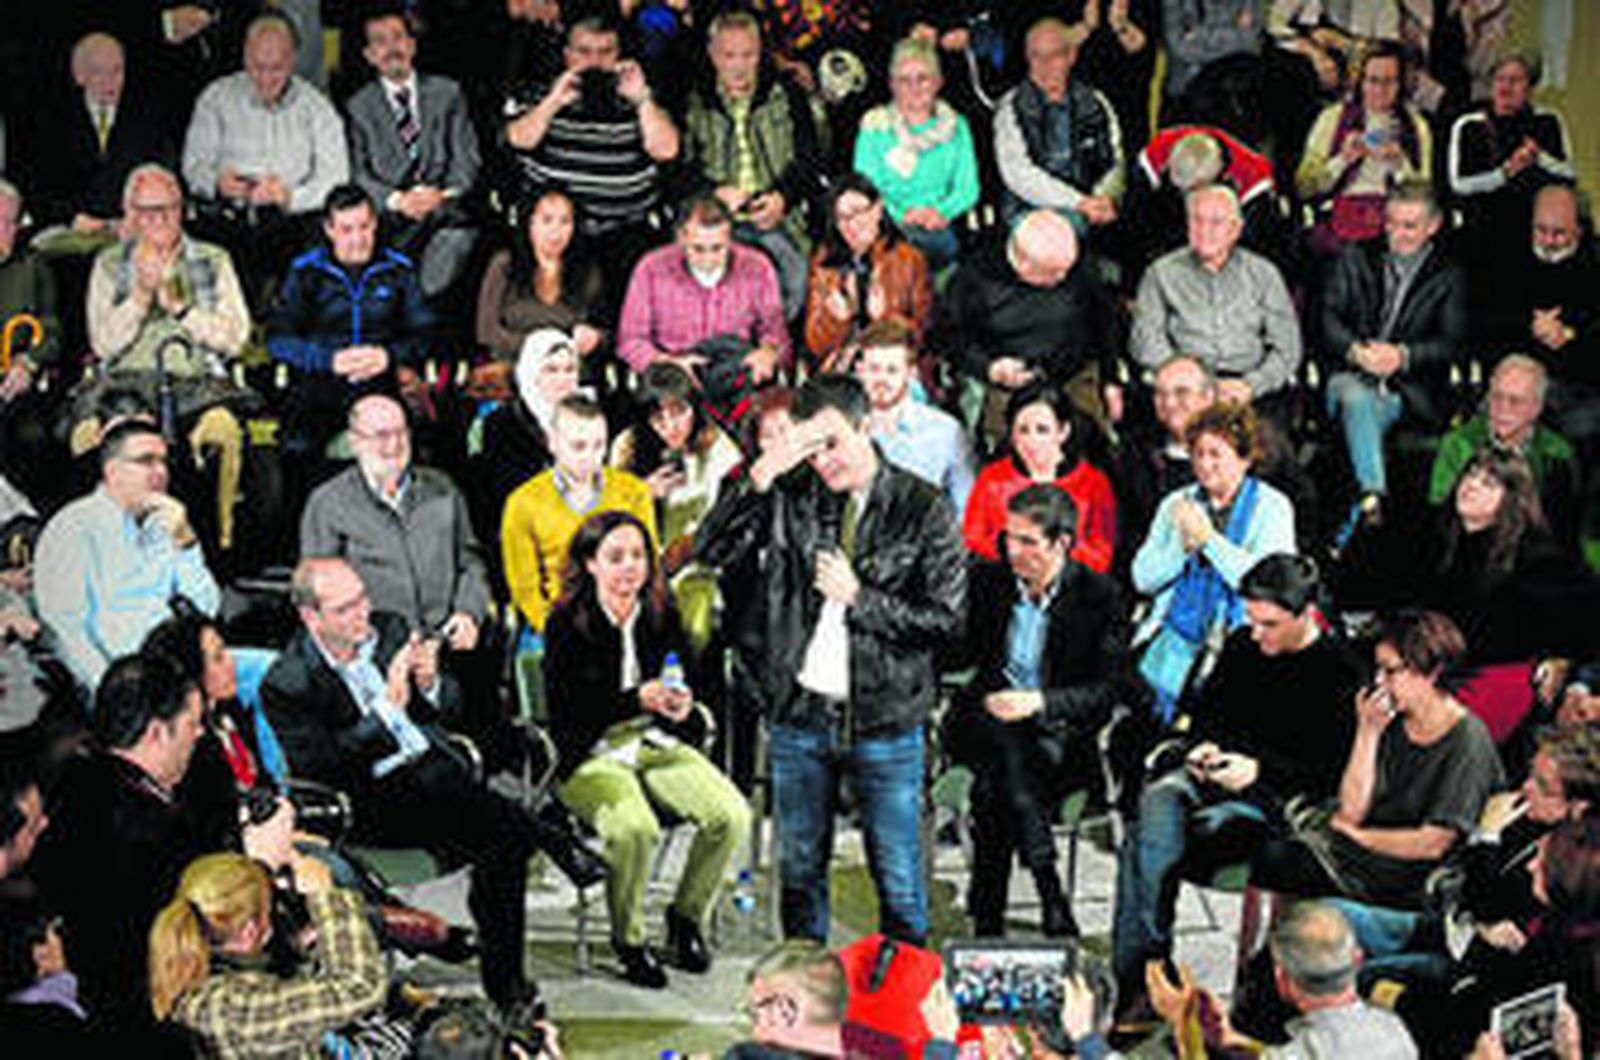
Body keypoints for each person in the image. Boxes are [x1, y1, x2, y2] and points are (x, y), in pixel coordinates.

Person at [695, 373, 966, 945]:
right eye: (812, 448)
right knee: (798, 872)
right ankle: (804, 1002)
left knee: (899, 879)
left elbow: (946, 621)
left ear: (866, 426)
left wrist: (861, 599)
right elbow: (710, 551)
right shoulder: (790, 495)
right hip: (799, 715)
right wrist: (758, 476)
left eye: (834, 443)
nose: (824, 462)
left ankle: (905, 1008)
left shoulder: (923, 506)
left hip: (886, 719)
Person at [260, 557, 594, 1016]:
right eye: (344, 609)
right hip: (372, 804)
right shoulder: (287, 681)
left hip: (445, 787)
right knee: (470, 802)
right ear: (311, 616)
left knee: (502, 841)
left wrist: (431, 682)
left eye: (362, 599)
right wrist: (386, 714)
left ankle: (506, 983)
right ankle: (554, 841)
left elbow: (446, 711)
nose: (362, 614)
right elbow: (325, 770)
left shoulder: (391, 629)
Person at [1111, 554, 1364, 1007]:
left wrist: (1259, 770)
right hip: (1212, 779)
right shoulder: (1242, 645)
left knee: (1145, 841)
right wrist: (1204, 747)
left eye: (1269, 623)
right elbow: (1210, 717)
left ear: (1305, 614)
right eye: (1251, 619)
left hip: (1273, 804)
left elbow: (1330, 770)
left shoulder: (1339, 670)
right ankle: (1147, 977)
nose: (1256, 633)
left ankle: (1143, 983)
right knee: (1158, 801)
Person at [541, 510, 750, 987]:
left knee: (731, 814)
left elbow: (685, 681)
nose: (630, 567)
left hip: (654, 741)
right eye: (615, 557)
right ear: (590, 563)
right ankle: (629, 939)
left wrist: (681, 703)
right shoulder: (565, 624)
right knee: (635, 828)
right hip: (589, 752)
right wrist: (634, 698)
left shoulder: (661, 611)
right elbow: (569, 715)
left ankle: (685, 918)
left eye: (638, 556)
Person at [950, 483, 1130, 938]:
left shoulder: (1099, 596)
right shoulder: (989, 582)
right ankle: (1049, 892)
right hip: (984, 719)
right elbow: (958, 653)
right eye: (1009, 537)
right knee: (1002, 735)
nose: (1013, 551)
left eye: (1027, 541)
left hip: (1057, 735)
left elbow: (1108, 690)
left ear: (1062, 543)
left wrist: (1040, 702)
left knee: (994, 793)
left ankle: (987, 920)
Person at [1251, 610, 1505, 908]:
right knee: (1267, 853)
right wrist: (1367, 733)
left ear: (1432, 673)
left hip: (1399, 876)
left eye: (1390, 671)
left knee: (1280, 863)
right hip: (1352, 849)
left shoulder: (1466, 742)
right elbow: (1350, 811)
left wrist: (1359, 836)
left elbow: (1433, 843)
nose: (1378, 681)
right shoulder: (1389, 717)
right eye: (1377, 669)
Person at [28, 653, 210, 1038]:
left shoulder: (63, 782)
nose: (200, 734)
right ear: (157, 732)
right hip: (142, 1014)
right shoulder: (159, 829)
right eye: (193, 723)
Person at [81, 164, 254, 554]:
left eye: (168, 209)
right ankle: (113, 547)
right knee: (98, 438)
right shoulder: (108, 263)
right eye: (147, 211)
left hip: (198, 385)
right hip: (125, 385)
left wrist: (183, 311)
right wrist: (141, 297)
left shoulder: (214, 258)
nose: (159, 220)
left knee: (222, 431)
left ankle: (215, 548)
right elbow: (103, 343)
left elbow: (237, 339)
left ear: (182, 210)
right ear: (129, 215)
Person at [267, 183, 434, 506]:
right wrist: (328, 360)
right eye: (346, 229)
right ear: (329, 229)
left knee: (408, 442)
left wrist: (388, 356)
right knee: (297, 447)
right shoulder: (306, 271)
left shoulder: (397, 269)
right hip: (319, 382)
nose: (357, 238)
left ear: (375, 224)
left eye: (364, 227)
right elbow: (279, 339)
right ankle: (301, 540)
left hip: (381, 381)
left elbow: (425, 334)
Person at [1132, 403, 1297, 723]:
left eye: (1215, 454)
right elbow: (1143, 578)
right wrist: (1183, 545)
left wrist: (1209, 541)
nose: (1204, 465)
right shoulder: (1176, 504)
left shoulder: (1273, 507)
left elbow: (1270, 586)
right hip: (1174, 636)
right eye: (1197, 454)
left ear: (1245, 458)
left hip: (1245, 640)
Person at [34, 420, 220, 690]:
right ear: (112, 471)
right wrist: (109, 691)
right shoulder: (74, 527)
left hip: (179, 667)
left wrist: (186, 540)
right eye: (146, 461)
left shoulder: (166, 522)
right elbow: (66, 632)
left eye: (163, 461)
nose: (161, 472)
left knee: (267, 674)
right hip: (121, 680)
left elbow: (207, 608)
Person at [147, 851, 387, 1058]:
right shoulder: (236, 1010)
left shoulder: (186, 964)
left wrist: (299, 948)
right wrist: (327, 895)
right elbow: (361, 985)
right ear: (250, 932)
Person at [1321, 180, 1467, 520]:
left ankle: (1368, 506)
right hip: (1347, 375)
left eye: (1409, 226)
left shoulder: (1449, 275)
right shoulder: (1355, 255)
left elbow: (1453, 343)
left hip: (1407, 389)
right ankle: (1372, 494)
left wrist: (1402, 356)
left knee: (1365, 408)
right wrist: (1357, 352)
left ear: (1433, 226)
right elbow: (1326, 319)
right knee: (1356, 395)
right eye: (1390, 223)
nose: (1396, 234)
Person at [181, 14, 350, 302]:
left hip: (291, 224)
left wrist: (290, 197)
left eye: (276, 68)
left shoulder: (317, 108)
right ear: (245, 56)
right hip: (228, 218)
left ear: (293, 59)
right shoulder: (216, 98)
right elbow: (193, 166)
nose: (266, 78)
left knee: (314, 241)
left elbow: (337, 178)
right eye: (257, 67)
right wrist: (217, 183)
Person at [501, 15, 679, 287]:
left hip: (625, 227)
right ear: (567, 55)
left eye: (605, 52)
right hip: (558, 231)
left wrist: (642, 100)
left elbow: (667, 150)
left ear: (619, 56)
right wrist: (552, 102)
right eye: (584, 52)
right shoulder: (542, 94)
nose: (594, 61)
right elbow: (518, 140)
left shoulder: (639, 97)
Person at [681, 10, 823, 322]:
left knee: (795, 279)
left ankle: (772, 351)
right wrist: (714, 193)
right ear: (713, 55)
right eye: (729, 55)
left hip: (777, 218)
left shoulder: (786, 94)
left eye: (748, 54)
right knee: (711, 288)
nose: (738, 65)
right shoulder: (694, 100)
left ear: (760, 54)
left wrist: (782, 198)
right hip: (715, 220)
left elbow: (810, 161)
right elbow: (677, 172)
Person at [1148, 901, 1419, 1059]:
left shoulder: (1303, 1050)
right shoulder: (1394, 1029)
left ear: (1282, 980)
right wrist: (1226, 1039)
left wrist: (1183, 1024)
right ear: (1356, 960)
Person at [941, 209, 1121, 443]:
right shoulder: (974, 278)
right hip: (1008, 383)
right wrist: (989, 368)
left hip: (1075, 375)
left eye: (1068, 268)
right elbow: (950, 337)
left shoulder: (1073, 260)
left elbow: (1105, 320)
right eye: (1054, 274)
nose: (1065, 276)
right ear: (1024, 266)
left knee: (1095, 444)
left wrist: (1111, 379)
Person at [345, 7, 481, 299]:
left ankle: (416, 306)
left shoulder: (448, 93)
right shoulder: (357, 107)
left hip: (443, 215)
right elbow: (358, 173)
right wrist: (398, 201)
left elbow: (467, 160)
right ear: (369, 55)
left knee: (457, 240)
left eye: (398, 38)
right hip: (390, 220)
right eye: (380, 41)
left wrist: (440, 195)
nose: (392, 48)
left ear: (412, 45)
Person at [1131, 185, 1302, 415]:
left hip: (1249, 387)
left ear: (1235, 229)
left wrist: (1252, 385)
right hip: (1184, 390)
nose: (1204, 230)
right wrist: (1196, 385)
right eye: (1197, 221)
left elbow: (1288, 347)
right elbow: (1145, 343)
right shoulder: (1160, 274)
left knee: (1268, 443)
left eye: (1215, 222)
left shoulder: (1264, 274)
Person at [1423, 449, 1598, 668]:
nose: (1471, 485)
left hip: (1499, 673)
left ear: (1512, 499)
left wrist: (1561, 662)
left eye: (1489, 483)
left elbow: (1584, 624)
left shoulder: (1537, 558)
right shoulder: (1439, 539)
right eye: (1470, 474)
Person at [609, 362, 742, 650]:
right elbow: (608, 518)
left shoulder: (718, 446)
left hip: (698, 565)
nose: (671, 427)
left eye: (679, 412)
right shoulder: (627, 446)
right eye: (659, 418)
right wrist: (642, 493)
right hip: (638, 564)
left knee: (695, 623)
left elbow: (729, 519)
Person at [502, 395, 656, 635]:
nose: (589, 457)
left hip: (627, 619)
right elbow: (524, 588)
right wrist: (552, 631)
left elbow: (649, 564)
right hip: (560, 622)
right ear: (552, 443)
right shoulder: (523, 503)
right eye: (578, 446)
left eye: (599, 445)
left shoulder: (633, 492)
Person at [616, 195, 789, 382]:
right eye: (698, 249)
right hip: (673, 373)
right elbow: (630, 340)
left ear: (730, 238)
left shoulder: (758, 267)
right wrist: (667, 363)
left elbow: (775, 332)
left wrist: (768, 352)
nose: (708, 260)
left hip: (735, 372)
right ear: (681, 237)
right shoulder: (650, 268)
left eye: (717, 248)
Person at [1483, 185, 1600, 451]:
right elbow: (1486, 325)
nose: (1547, 240)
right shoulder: (1504, 259)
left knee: (1579, 430)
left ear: (1580, 229)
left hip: (1578, 386)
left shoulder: (1594, 262)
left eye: (1559, 233)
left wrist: (1568, 336)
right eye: (1540, 230)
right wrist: (1532, 328)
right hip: (1512, 383)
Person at [27, 32, 179, 234]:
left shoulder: (148, 118)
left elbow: (165, 177)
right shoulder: (51, 121)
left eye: (118, 71)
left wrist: (139, 217)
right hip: (70, 230)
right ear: (78, 75)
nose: (111, 82)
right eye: (99, 72)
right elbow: (36, 188)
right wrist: (72, 218)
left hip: (135, 229)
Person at [852, 37, 979, 270]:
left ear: (938, 82)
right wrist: (902, 215)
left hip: (941, 224)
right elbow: (865, 188)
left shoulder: (958, 126)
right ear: (891, 84)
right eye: (904, 80)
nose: (914, 88)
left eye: (923, 78)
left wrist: (939, 213)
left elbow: (968, 188)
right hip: (887, 222)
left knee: (936, 246)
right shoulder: (875, 127)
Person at [1429, 355, 1581, 547]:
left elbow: (1564, 528)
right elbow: (1440, 515)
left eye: (1515, 401)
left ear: (1536, 408)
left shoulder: (1557, 454)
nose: (1503, 408)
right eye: (1496, 397)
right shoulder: (1457, 444)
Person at [1296, 41, 1432, 255]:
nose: (1380, 90)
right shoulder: (1333, 118)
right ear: (1360, 82)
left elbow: (1425, 197)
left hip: (1393, 224)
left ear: (1402, 84)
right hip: (1341, 223)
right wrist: (1342, 160)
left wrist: (1399, 164)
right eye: (1373, 81)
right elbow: (1304, 187)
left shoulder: (1416, 125)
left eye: (1390, 82)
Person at [963, 383, 1116, 574]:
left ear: (1063, 431)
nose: (1031, 441)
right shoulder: (993, 479)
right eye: (1023, 431)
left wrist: (1051, 556)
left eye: (1042, 430)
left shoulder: (1093, 483)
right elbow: (973, 540)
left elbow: (1102, 555)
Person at [1448, 52, 1574, 280]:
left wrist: (1539, 158)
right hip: (1481, 235)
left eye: (1515, 80)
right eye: (1500, 79)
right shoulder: (1469, 125)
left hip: (1534, 236)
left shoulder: (1548, 121)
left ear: (1530, 87)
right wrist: (1504, 173)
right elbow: (1458, 185)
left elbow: (1569, 175)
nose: (1506, 87)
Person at [993, 18, 1124, 233]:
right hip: (1027, 209)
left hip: (1089, 205)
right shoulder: (1011, 107)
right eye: (1036, 56)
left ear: (1071, 56)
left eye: (1054, 55)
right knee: (1067, 229)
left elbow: (1114, 161)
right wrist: (1079, 203)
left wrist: (1104, 198)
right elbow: (1018, 174)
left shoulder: (1095, 102)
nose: (1044, 66)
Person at [803, 174, 933, 374]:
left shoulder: (908, 259)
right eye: (841, 217)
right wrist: (837, 321)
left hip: (893, 365)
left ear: (878, 209)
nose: (851, 224)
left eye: (858, 212)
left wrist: (885, 319)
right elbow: (815, 346)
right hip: (845, 365)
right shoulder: (824, 264)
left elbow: (924, 335)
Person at [1120, 124, 1285, 280]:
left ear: (1217, 175)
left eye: (1192, 190)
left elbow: (1252, 252)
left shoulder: (1255, 183)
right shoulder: (1156, 153)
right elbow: (1134, 217)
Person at [474, 187, 608, 377]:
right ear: (530, 223)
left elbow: (605, 334)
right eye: (547, 220)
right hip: (511, 367)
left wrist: (595, 338)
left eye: (565, 222)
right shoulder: (504, 264)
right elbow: (487, 332)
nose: (556, 231)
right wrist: (545, 348)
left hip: (565, 372)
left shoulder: (587, 270)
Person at [853, 320, 974, 516]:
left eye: (892, 370)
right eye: (874, 369)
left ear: (911, 374)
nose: (881, 380)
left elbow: (966, 510)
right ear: (860, 371)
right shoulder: (842, 428)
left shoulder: (946, 433)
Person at [0, 181, 64, 499]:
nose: (2, 231)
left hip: (13, 388)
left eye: (9, 222)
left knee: (33, 437)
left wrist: (29, 363)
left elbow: (51, 332)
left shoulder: (33, 265)